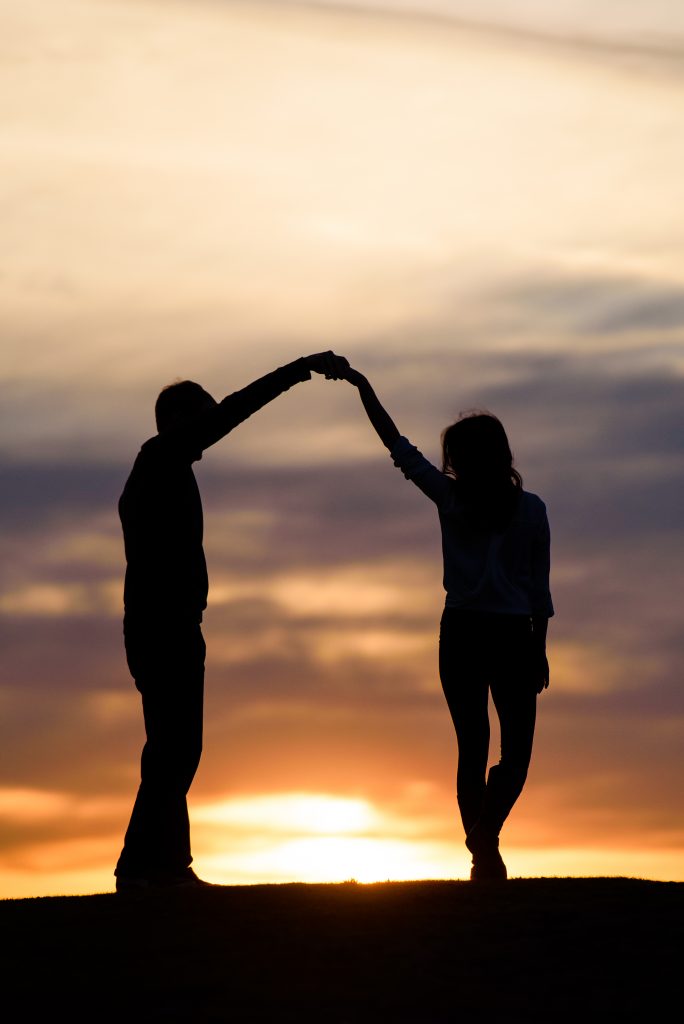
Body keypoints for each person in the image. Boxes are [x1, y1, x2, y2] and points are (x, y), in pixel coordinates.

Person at [115, 351, 349, 892]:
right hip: (162, 627)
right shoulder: (159, 458)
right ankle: (154, 866)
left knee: (174, 748)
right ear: (176, 420)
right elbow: (237, 411)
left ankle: (153, 864)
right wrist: (298, 369)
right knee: (174, 748)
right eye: (202, 417)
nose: (210, 427)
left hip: (169, 625)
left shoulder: (164, 467)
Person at [341, 366, 553, 881]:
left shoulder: (492, 505)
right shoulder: (476, 502)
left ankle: (483, 838)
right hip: (490, 633)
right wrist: (538, 646)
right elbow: (540, 595)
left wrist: (362, 385)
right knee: (492, 748)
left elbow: (398, 447)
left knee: (493, 750)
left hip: (476, 634)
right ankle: (485, 853)